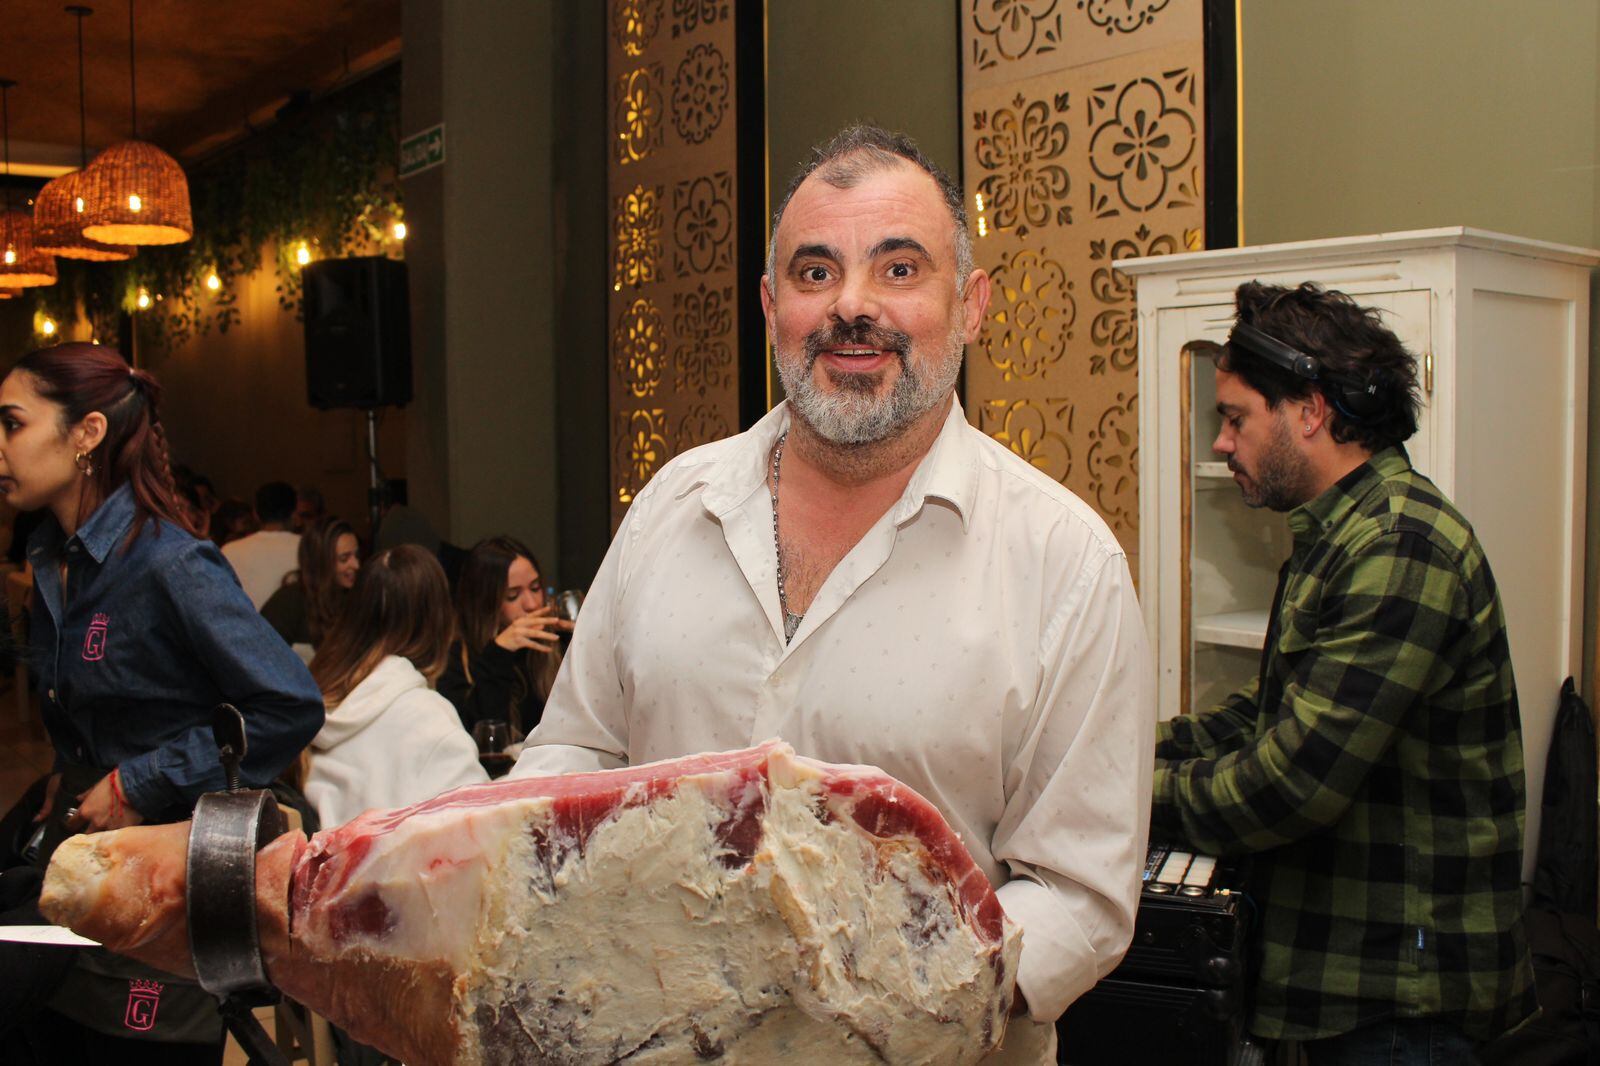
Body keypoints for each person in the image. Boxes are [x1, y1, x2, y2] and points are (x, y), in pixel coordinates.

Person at [511, 125, 1153, 1063]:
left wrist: (867, 1006)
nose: (852, 306)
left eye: (899, 269)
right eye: (815, 273)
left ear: (970, 305)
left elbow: (1078, 895)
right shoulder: (669, 510)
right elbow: (577, 746)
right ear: (772, 306)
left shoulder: (1064, 564)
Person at [1151, 282, 1536, 1062]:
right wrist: (1128, 749)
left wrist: (1113, 794)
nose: (1222, 443)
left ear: (1310, 411)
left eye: (1235, 417)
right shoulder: (1340, 533)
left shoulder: (1400, 545)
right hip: (1349, 991)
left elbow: (1290, 783)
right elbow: (1265, 719)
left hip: (1397, 1003)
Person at [0, 343, 323, 1064]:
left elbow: (288, 704)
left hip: (163, 893)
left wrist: (135, 781)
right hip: (82, 867)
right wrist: (74, 767)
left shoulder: (170, 563)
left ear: (85, 434)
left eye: (11, 423)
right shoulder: (54, 557)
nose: (0, 446)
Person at [301, 544, 487, 831]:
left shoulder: (318, 691)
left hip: (328, 867)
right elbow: (484, 829)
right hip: (389, 873)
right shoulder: (427, 716)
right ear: (439, 622)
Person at [438, 536, 569, 737]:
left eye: (535, 588)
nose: (532, 604)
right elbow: (481, 738)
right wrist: (499, 653)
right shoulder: (456, 659)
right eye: (512, 595)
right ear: (485, 603)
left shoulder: (557, 644)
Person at [261, 516, 360, 658]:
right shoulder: (288, 603)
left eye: (357, 555)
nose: (356, 565)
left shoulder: (357, 598)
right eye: (344, 558)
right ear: (320, 561)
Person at [221, 480, 300, 608]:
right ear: (295, 513)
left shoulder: (229, 551)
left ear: (255, 514)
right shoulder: (310, 548)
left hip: (245, 627)